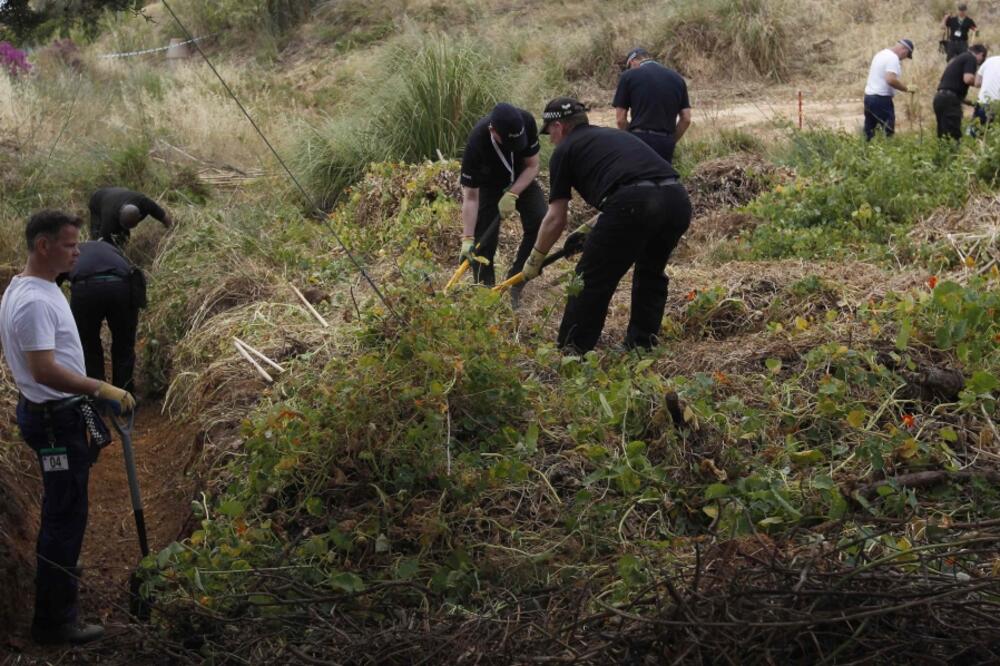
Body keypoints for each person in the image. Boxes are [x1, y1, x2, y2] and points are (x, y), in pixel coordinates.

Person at [0, 211, 135, 645]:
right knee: (64, 517)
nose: (78, 252)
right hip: (54, 422)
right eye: (70, 245)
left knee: (64, 509)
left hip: (57, 414)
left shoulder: (33, 287)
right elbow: (43, 370)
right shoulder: (35, 301)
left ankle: (55, 604)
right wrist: (102, 387)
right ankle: (54, 622)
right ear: (43, 246)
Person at [519, 97, 692, 353]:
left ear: (559, 126)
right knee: (651, 271)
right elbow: (638, 184)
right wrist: (588, 230)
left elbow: (556, 218)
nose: (551, 140)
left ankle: (572, 352)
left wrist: (536, 258)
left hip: (635, 204)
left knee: (590, 280)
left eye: (549, 133)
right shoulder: (613, 136)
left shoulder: (564, 151)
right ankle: (641, 346)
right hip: (676, 200)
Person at [459, 102, 545, 289]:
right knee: (484, 239)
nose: (513, 147)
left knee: (540, 220)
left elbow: (532, 165)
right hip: (489, 184)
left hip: (522, 176)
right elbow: (471, 196)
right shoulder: (477, 141)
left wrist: (513, 193)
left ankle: (517, 279)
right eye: (508, 142)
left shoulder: (527, 121)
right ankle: (484, 290)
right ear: (493, 131)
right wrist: (467, 238)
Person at [68, 240, 146, 394]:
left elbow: (52, 283)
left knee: (88, 344)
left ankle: (97, 396)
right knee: (124, 344)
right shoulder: (112, 249)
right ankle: (124, 395)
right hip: (121, 286)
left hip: (85, 288)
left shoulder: (70, 253)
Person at [612, 46, 692, 164]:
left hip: (640, 140)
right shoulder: (677, 78)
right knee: (663, 175)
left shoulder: (628, 76)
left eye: (628, 67)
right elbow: (686, 118)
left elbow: (620, 120)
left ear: (632, 61)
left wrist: (632, 140)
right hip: (666, 142)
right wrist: (671, 140)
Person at [863, 39, 916, 141]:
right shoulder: (893, 58)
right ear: (905, 50)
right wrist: (906, 88)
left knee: (869, 131)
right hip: (881, 99)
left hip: (869, 97)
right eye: (906, 55)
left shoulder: (880, 54)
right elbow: (890, 79)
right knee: (887, 131)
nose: (904, 58)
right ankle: (888, 149)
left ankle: (866, 149)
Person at [934, 44, 988, 139]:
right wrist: (982, 83)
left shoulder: (958, 59)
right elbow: (968, 79)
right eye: (981, 61)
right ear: (981, 54)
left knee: (943, 134)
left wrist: (970, 102)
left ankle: (943, 149)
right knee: (954, 134)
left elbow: (951, 87)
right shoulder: (971, 58)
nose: (979, 64)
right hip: (949, 100)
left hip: (939, 98)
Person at [88, 187, 172, 248]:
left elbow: (163, 216)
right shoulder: (109, 219)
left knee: (124, 237)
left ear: (139, 215)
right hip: (97, 200)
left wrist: (171, 231)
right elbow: (102, 241)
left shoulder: (144, 202)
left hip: (117, 195)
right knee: (97, 237)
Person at [973, 53, 1000, 127]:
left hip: (982, 102)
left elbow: (977, 83)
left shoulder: (990, 60)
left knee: (975, 131)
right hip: (997, 106)